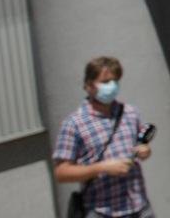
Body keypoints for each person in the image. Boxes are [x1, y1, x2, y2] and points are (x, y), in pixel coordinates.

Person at [53, 56, 154, 218]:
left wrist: (145, 151)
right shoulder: (74, 124)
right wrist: (102, 168)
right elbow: (62, 173)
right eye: (105, 82)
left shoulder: (130, 112)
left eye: (115, 81)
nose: (112, 86)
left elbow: (141, 146)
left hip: (140, 208)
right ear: (89, 86)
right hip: (103, 212)